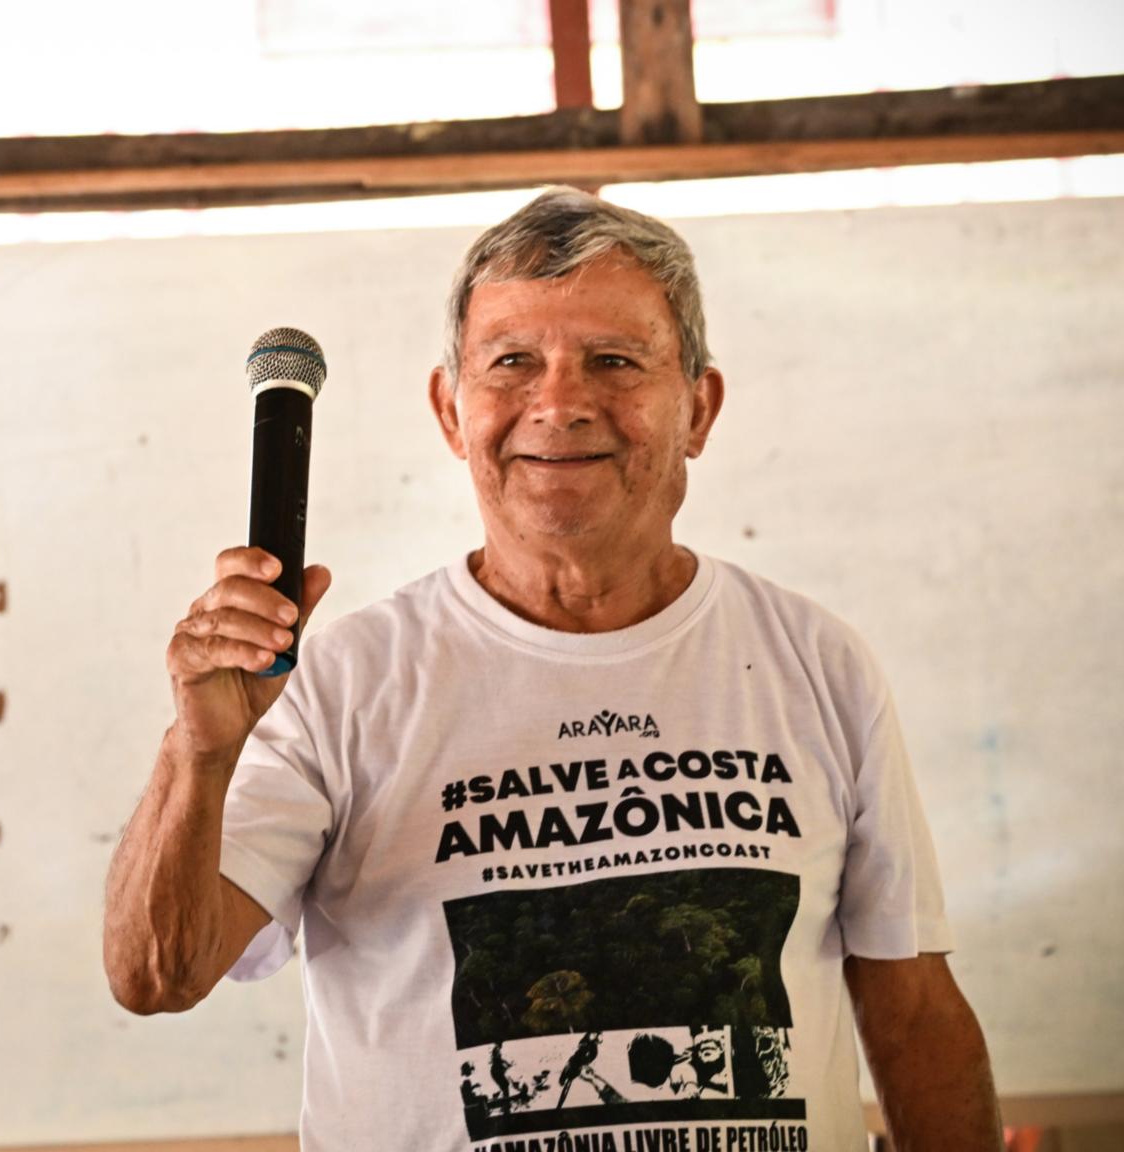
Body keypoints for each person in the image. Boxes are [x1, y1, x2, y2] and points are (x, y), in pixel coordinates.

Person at [103, 186, 999, 1149]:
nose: (561, 403)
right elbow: (157, 974)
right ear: (451, 412)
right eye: (512, 363)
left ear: (698, 408)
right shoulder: (345, 683)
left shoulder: (815, 665)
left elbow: (912, 1013)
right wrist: (199, 752)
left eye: (614, 361)